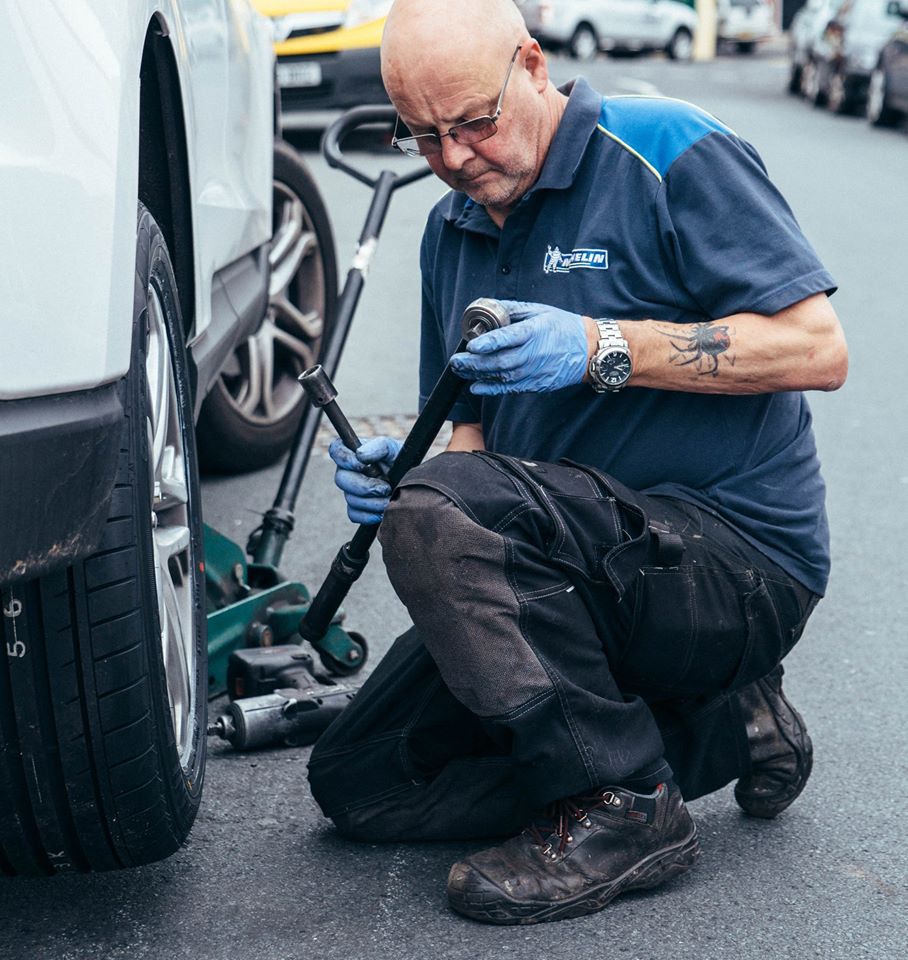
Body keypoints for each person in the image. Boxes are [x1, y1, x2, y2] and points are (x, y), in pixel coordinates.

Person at [308, 0, 848, 926]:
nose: (453, 157)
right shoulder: (453, 230)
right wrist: (407, 483)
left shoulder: (669, 149)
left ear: (532, 62)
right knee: (361, 782)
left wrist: (607, 345)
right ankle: (709, 724)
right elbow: (474, 450)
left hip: (736, 561)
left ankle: (624, 803)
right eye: (423, 136)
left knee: (449, 512)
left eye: (473, 121)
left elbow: (817, 348)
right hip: (578, 579)